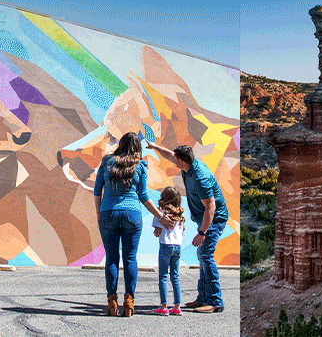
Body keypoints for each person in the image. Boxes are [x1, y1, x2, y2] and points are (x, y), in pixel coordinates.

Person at [94, 132, 172, 317]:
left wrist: (99, 214)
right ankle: (129, 303)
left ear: (120, 144)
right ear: (137, 148)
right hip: (132, 215)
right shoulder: (140, 166)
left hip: (108, 212)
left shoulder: (106, 162)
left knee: (112, 258)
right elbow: (143, 196)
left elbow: (97, 191)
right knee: (130, 258)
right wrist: (160, 216)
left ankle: (112, 303)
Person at [146, 142, 229, 313]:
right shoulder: (188, 166)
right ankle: (203, 298)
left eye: (177, 158)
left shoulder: (199, 177)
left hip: (214, 220)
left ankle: (215, 301)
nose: (173, 160)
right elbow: (170, 154)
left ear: (183, 160)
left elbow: (210, 207)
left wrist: (202, 232)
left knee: (205, 255)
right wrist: (154, 147)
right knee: (202, 257)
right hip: (204, 219)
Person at [151, 186, 186, 316]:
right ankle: (177, 306)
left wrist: (157, 230)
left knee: (163, 276)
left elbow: (157, 232)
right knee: (175, 276)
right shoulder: (180, 214)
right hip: (177, 247)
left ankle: (164, 306)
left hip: (165, 245)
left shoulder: (161, 213)